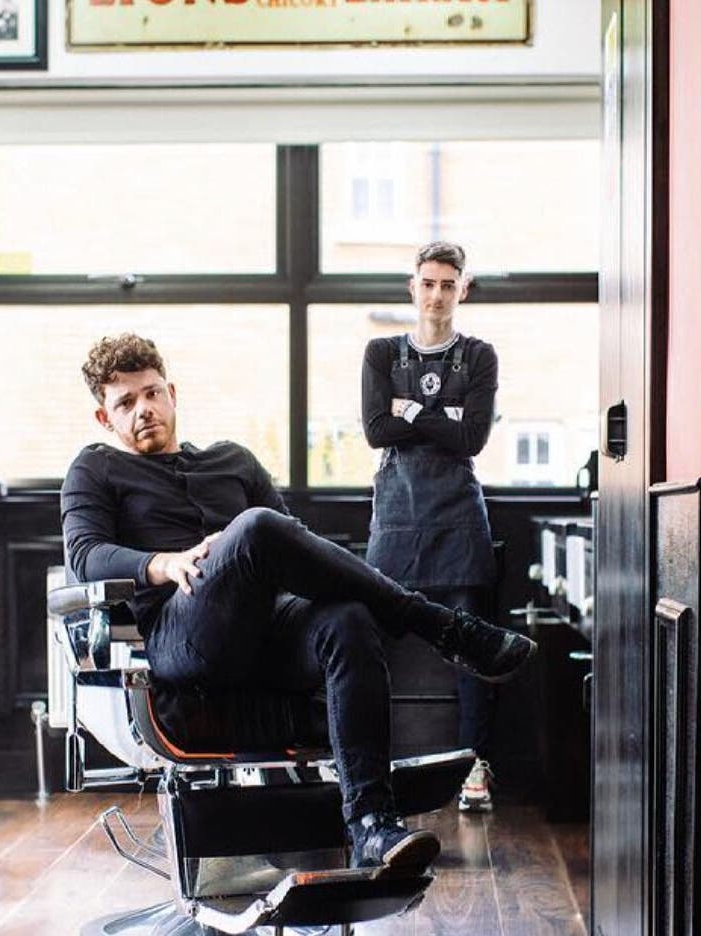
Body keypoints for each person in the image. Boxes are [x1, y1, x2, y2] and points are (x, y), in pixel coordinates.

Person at [61, 334, 536, 872]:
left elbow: (293, 545)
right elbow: (85, 555)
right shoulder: (96, 469)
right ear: (106, 418)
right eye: (125, 403)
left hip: (265, 630)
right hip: (183, 633)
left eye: (150, 394)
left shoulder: (232, 461)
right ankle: (441, 627)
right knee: (256, 527)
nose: (143, 409)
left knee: (346, 621)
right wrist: (163, 563)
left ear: (171, 392)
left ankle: (371, 825)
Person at [361, 240, 504, 812]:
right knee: (371, 645)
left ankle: (475, 768)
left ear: (461, 289)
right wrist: (441, 416)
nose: (438, 294)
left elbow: (472, 439)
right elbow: (375, 429)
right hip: (396, 516)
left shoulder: (480, 355)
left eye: (449, 284)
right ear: (413, 288)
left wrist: (412, 411)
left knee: (468, 646)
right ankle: (372, 770)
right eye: (429, 283)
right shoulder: (380, 353)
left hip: (458, 517)